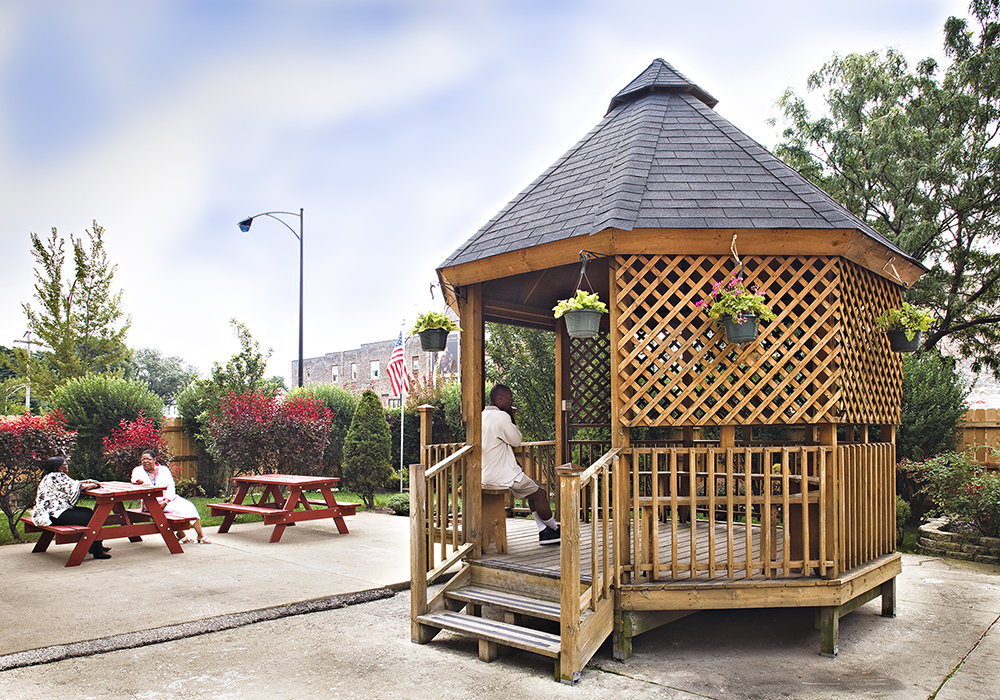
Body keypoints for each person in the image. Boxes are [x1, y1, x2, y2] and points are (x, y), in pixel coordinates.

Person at [482, 383, 560, 545]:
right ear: (499, 399)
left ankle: (543, 530)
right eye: (509, 398)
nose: (512, 401)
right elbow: (516, 440)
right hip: (503, 475)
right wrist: (511, 417)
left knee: (532, 493)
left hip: (485, 474)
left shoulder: (482, 416)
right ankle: (554, 528)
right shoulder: (501, 417)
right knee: (540, 494)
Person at [32, 456, 111, 560]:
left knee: (89, 512)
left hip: (47, 512)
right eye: (65, 464)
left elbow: (72, 483)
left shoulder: (50, 476)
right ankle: (97, 551)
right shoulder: (57, 476)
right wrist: (93, 485)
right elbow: (78, 487)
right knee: (91, 517)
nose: (67, 466)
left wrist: (87, 481)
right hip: (53, 515)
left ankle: (96, 545)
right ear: (59, 468)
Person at [130, 449, 212, 544]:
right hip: (150, 503)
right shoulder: (138, 470)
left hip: (167, 499)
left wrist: (166, 501)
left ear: (154, 460)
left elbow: (171, 485)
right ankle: (181, 534)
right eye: (143, 459)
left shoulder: (164, 470)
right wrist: (142, 482)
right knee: (178, 510)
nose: (145, 461)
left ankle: (200, 534)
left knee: (189, 506)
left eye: (148, 459)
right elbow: (134, 479)